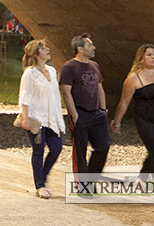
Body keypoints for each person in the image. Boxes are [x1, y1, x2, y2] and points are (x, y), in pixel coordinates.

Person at [111, 44, 154, 206]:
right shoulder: (134, 78)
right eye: (149, 55)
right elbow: (124, 103)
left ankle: (141, 178)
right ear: (141, 58)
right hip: (144, 120)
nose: (153, 57)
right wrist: (117, 122)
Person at [18, 39, 65, 199]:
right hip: (36, 118)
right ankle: (40, 186)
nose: (48, 50)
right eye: (44, 48)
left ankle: (42, 178)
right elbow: (24, 96)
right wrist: (25, 118)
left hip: (52, 118)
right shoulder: (29, 73)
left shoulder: (52, 71)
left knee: (56, 148)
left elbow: (54, 95)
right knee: (38, 150)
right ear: (37, 54)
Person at [59, 33, 110, 174]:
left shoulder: (94, 66)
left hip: (97, 114)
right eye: (90, 45)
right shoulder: (69, 67)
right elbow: (66, 93)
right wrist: (74, 115)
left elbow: (100, 88)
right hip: (80, 113)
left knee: (103, 146)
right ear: (80, 49)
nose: (94, 47)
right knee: (80, 152)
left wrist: (103, 110)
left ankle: (91, 176)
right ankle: (83, 185)